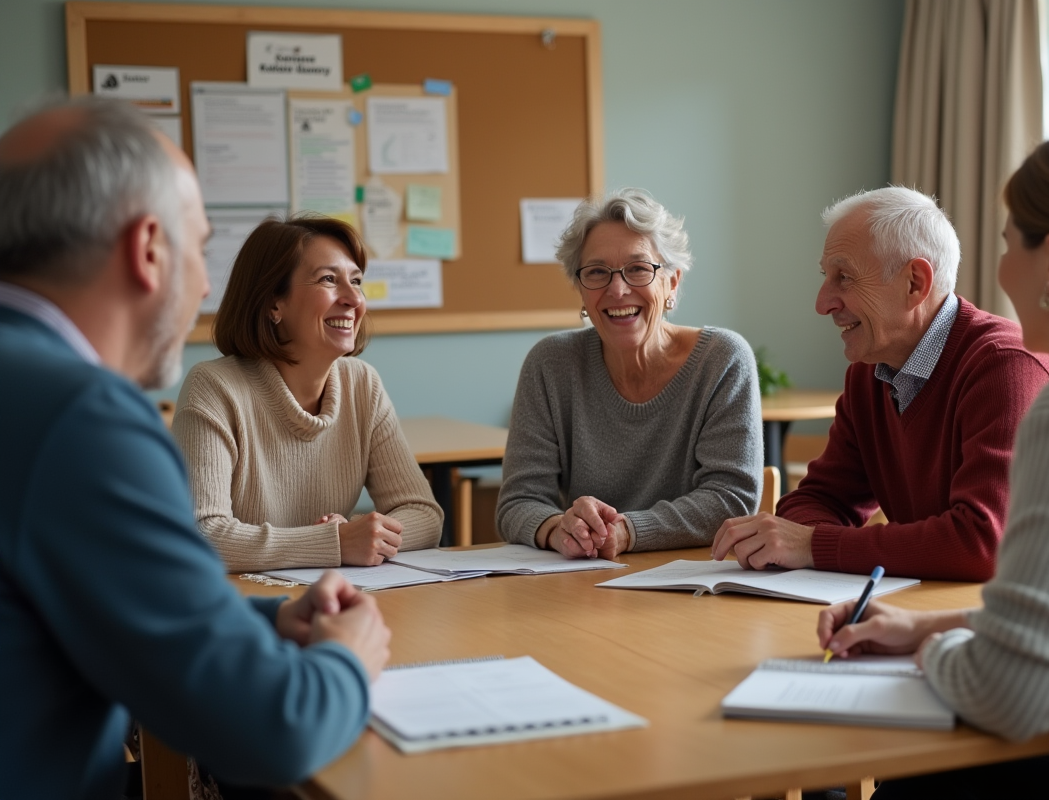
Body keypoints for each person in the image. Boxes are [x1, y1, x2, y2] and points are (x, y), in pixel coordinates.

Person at [0, 97, 391, 797]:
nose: (208, 286)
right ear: (148, 249)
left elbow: (90, 593)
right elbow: (273, 730)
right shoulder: (81, 416)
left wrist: (266, 617)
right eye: (200, 248)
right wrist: (349, 661)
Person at [817, 118, 1049, 800]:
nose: (998, 272)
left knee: (926, 777)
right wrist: (927, 624)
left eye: (1004, 244)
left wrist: (934, 649)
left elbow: (1011, 696)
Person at [713, 187, 1049, 581]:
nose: (822, 302)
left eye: (843, 278)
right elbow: (817, 500)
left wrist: (814, 546)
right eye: (825, 277)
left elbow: (982, 544)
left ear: (915, 283)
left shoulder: (1007, 369)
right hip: (930, 610)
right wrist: (803, 540)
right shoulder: (870, 373)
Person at [497, 188, 762, 558]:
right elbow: (518, 502)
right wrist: (560, 529)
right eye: (597, 272)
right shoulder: (550, 364)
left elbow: (729, 500)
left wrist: (627, 532)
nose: (617, 290)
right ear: (581, 290)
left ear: (671, 282)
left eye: (638, 269)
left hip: (694, 589)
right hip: (580, 585)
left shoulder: (721, 360)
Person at [173, 216, 442, 573]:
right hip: (241, 607)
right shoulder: (214, 386)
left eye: (357, 281)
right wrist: (335, 543)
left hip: (332, 599)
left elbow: (424, 514)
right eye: (328, 280)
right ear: (273, 303)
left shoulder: (363, 383)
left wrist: (366, 535)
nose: (352, 299)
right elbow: (202, 534)